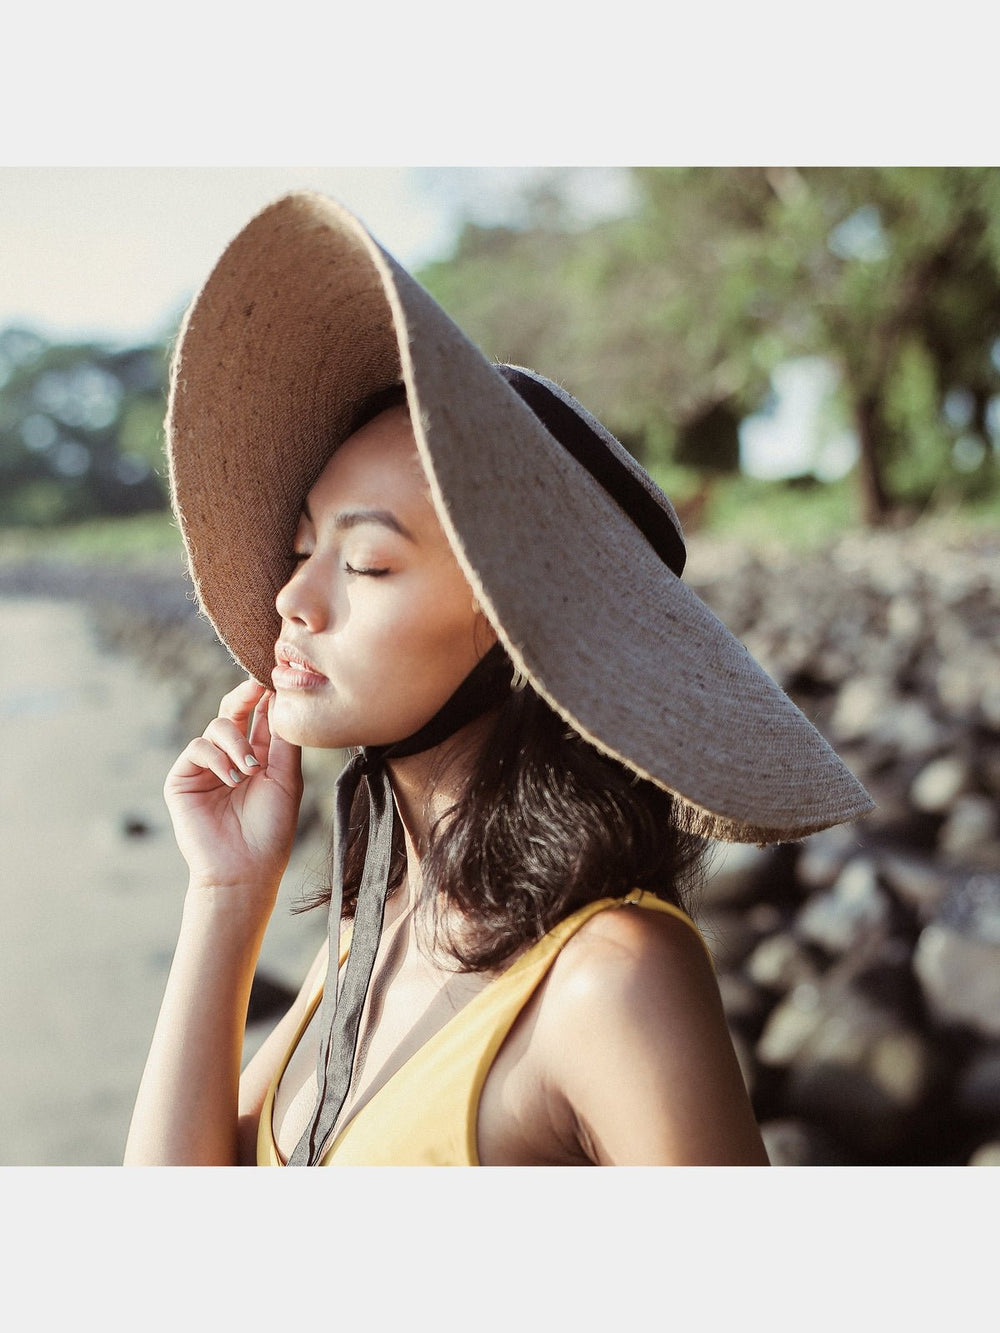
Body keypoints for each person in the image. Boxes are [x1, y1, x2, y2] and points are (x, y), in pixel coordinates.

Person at [124, 192, 873, 1167]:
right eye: (305, 545)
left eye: (366, 563)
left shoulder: (612, 980)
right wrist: (225, 892)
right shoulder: (377, 930)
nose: (292, 598)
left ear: (518, 634)